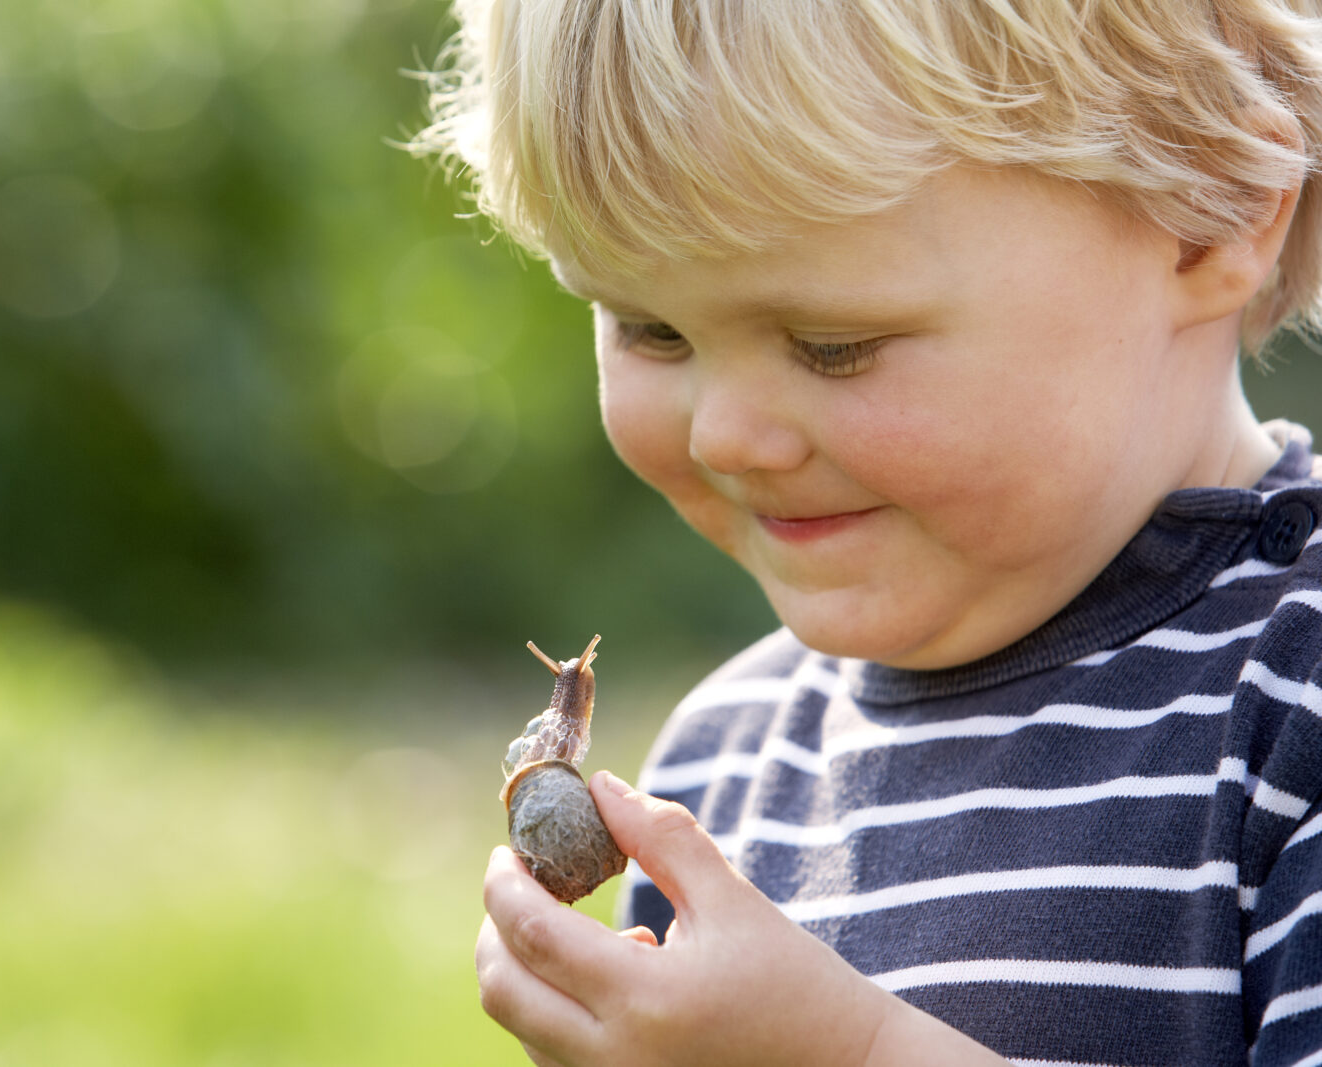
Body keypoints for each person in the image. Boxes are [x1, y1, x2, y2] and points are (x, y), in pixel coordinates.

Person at [410, 1, 1322, 1063]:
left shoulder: (1291, 705)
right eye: (651, 329)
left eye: (832, 344)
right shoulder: (718, 762)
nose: (726, 433)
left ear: (1212, 215)